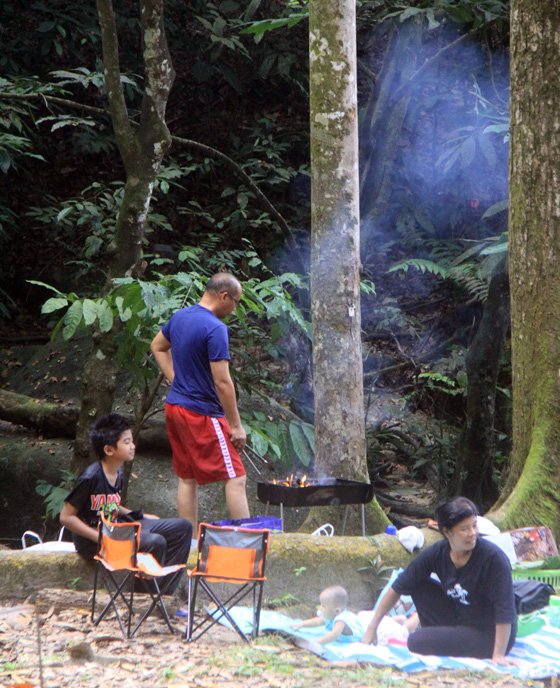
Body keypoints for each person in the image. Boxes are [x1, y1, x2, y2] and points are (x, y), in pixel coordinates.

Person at [362, 497, 519, 665]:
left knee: (416, 641)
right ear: (447, 532)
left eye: (474, 525)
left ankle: (441, 640)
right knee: (419, 585)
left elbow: (505, 610)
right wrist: (372, 628)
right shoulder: (438, 553)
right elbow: (398, 586)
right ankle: (443, 638)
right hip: (460, 618)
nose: (472, 533)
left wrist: (498, 656)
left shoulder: (494, 559)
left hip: (489, 634)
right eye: (464, 529)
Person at [150, 272, 250, 535]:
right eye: (236, 302)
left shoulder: (181, 316)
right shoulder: (216, 328)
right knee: (236, 477)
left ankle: (190, 546)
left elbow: (157, 346)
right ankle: (245, 545)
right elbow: (223, 383)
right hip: (201, 413)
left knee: (187, 478)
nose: (235, 308)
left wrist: (176, 380)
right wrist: (236, 426)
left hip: (174, 408)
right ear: (224, 296)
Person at [60, 413, 192, 586]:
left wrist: (139, 515)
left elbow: (111, 504)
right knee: (155, 542)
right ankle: (144, 599)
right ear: (109, 450)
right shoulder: (90, 477)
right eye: (127, 442)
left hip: (117, 528)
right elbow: (66, 517)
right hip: (93, 542)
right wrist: (100, 538)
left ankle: (164, 595)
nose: (133, 446)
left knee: (183, 527)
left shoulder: (119, 470)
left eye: (131, 441)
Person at [291, 585, 364, 644]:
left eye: (323, 605)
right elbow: (317, 622)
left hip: (359, 636)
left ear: (336, 611)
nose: (320, 607)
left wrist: (319, 641)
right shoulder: (332, 615)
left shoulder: (341, 620)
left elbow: (334, 634)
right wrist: (302, 624)